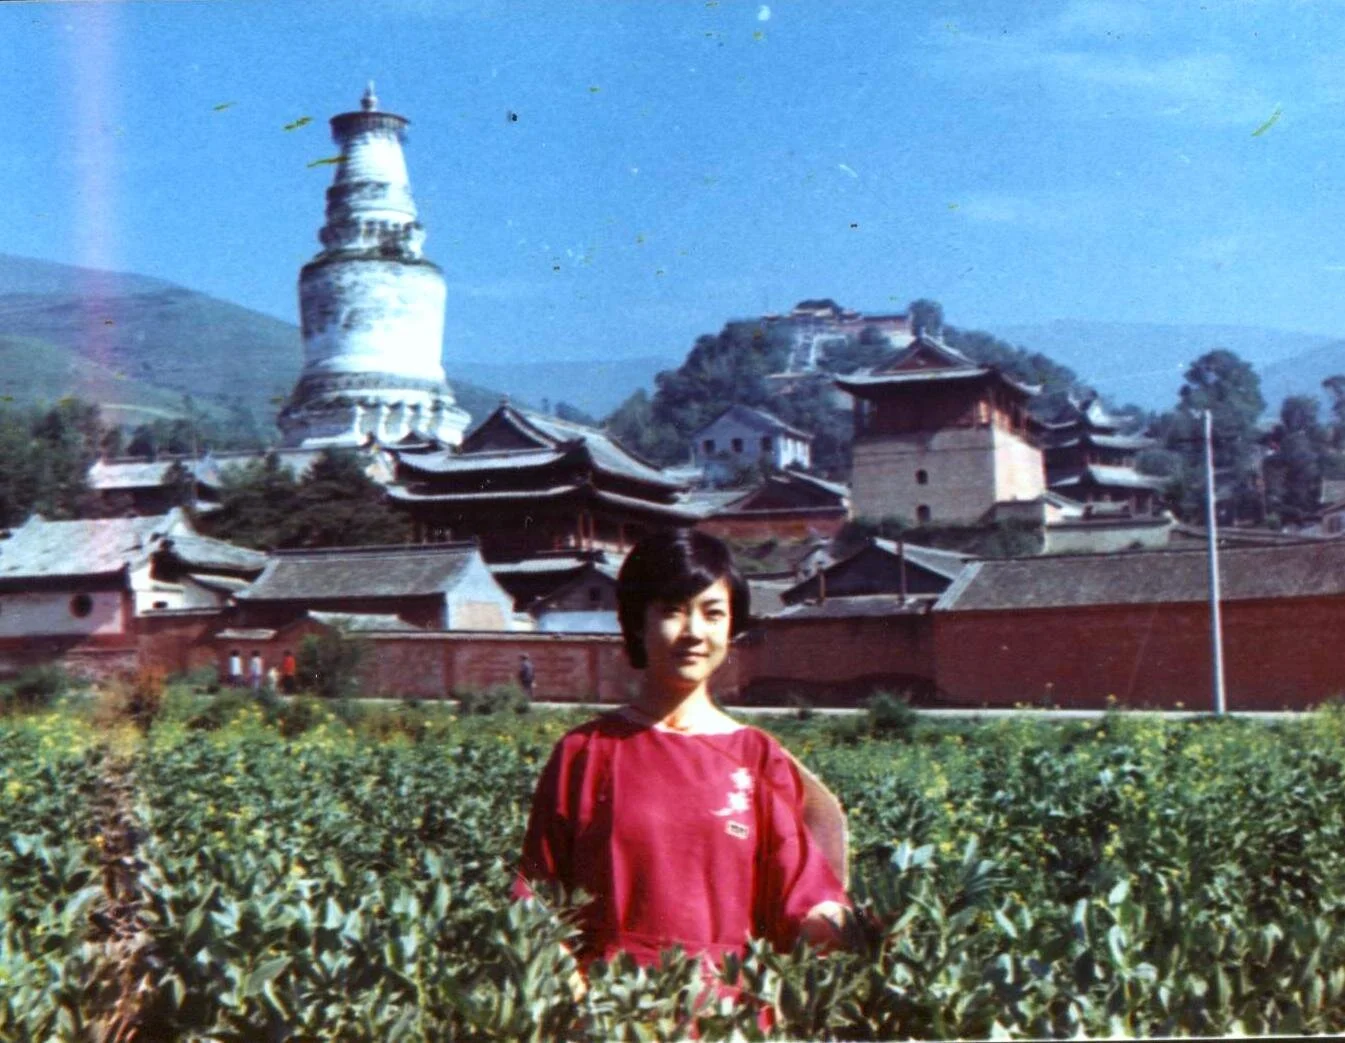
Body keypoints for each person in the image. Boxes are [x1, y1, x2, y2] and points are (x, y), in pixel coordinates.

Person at [514, 528, 851, 987]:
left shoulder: (757, 757)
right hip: (610, 1003)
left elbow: (800, 897)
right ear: (637, 622)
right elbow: (537, 898)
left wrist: (856, 927)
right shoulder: (586, 752)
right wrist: (570, 990)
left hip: (727, 1007)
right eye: (672, 611)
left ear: (731, 627)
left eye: (713, 613)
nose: (694, 632)